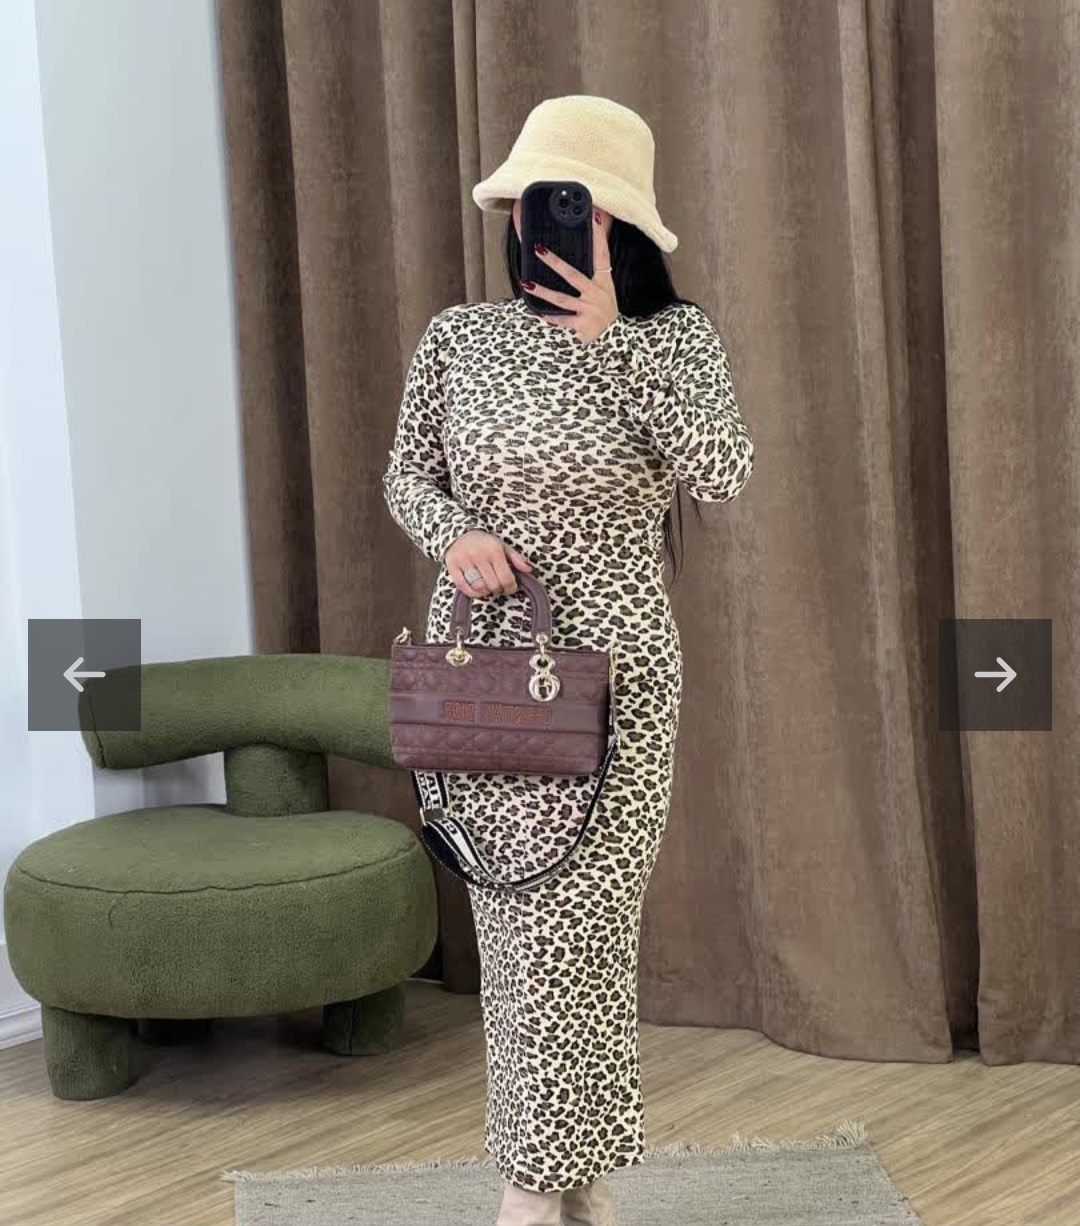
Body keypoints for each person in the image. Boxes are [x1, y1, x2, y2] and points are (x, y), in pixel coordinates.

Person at [382, 94, 754, 1226]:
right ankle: (569, 1189)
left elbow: (725, 471)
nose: (545, 227)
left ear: (619, 225)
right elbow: (406, 474)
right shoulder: (459, 337)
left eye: (576, 209)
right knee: (516, 935)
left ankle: (529, 1194)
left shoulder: (673, 340)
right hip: (485, 671)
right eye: (536, 205)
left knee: (579, 931)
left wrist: (614, 342)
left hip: (618, 677)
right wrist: (457, 534)